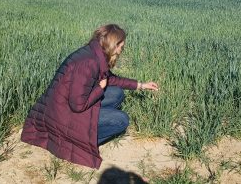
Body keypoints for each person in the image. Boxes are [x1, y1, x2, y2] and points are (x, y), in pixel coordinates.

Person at [20, 24, 158, 169]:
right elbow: (78, 105)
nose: (121, 50)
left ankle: (90, 128)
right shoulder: (88, 63)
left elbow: (110, 79)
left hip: (63, 106)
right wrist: (99, 88)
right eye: (121, 46)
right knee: (121, 120)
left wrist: (140, 85)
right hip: (63, 116)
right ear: (112, 44)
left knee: (117, 93)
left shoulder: (94, 52)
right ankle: (82, 142)